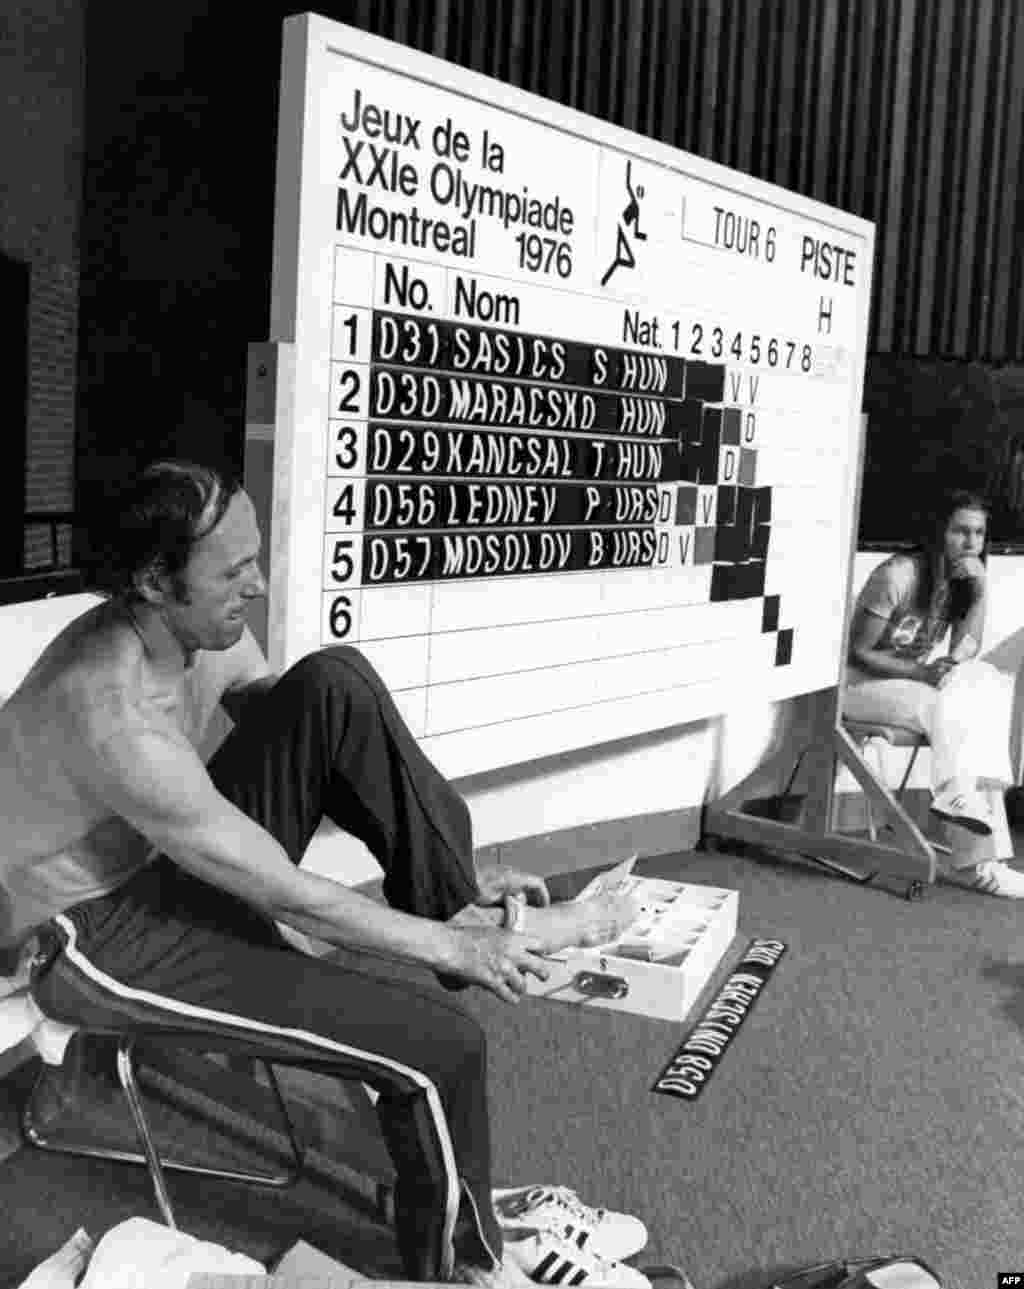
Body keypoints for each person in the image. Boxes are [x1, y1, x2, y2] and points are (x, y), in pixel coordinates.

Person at [0, 460, 652, 1287]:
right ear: (154, 579)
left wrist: (445, 870)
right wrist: (448, 951)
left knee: (335, 681)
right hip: (86, 938)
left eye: (255, 557)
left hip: (156, 863)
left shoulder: (200, 630)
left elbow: (309, 727)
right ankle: (474, 1263)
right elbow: (282, 888)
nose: (259, 582)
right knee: (439, 1046)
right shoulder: (110, 715)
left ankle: (460, 899)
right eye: (234, 571)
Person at [844, 488, 1024, 897]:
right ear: (938, 533)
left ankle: (971, 823)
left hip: (911, 686)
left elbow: (965, 652)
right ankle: (976, 857)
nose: (971, 543)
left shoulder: (963, 582)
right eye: (961, 531)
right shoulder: (899, 574)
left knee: (985, 682)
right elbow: (859, 652)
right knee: (945, 704)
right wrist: (921, 671)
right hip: (859, 686)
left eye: (979, 534)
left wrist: (977, 594)